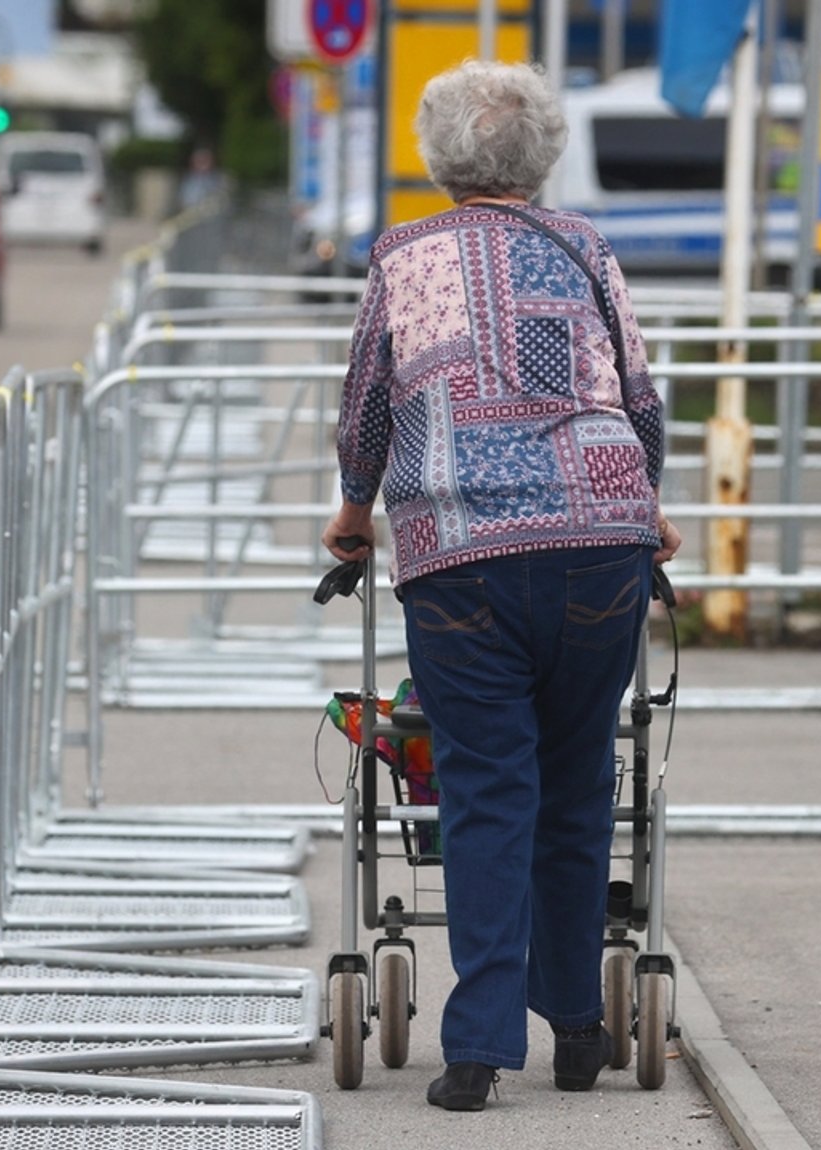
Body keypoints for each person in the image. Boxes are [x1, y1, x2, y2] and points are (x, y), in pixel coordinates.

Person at [322, 59, 682, 1112]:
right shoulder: (585, 246)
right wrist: (642, 501)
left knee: (485, 789)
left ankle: (476, 1050)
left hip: (462, 551)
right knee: (576, 783)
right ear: (543, 153)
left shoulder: (400, 255)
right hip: (599, 543)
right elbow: (639, 399)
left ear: (438, 158)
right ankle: (576, 1024)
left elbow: (367, 407)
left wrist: (352, 515)